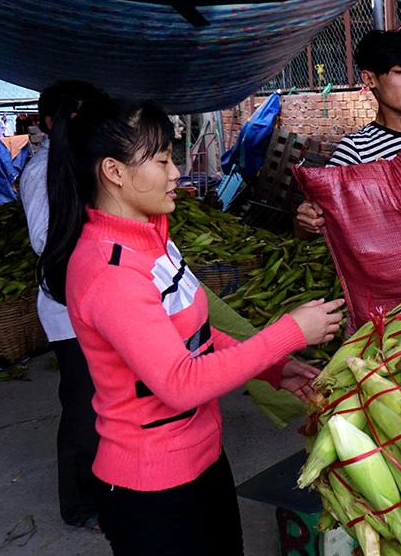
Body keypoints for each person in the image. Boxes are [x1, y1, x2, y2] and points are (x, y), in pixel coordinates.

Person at [37, 94, 344, 556]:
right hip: (152, 488)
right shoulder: (109, 270)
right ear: (114, 172)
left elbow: (194, 332)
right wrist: (288, 331)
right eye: (161, 161)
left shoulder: (153, 240)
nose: (176, 172)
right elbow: (179, 384)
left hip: (202, 461)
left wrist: (273, 367)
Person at [21, 80, 107, 530]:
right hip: (67, 309)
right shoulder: (42, 171)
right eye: (79, 118)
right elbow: (44, 239)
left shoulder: (82, 161)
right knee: (82, 407)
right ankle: (79, 505)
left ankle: (106, 488)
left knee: (102, 400)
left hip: (98, 304)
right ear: (53, 122)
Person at [295, 30, 401, 238]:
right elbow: (310, 227)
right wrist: (307, 219)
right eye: (400, 72)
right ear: (369, 79)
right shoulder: (356, 151)